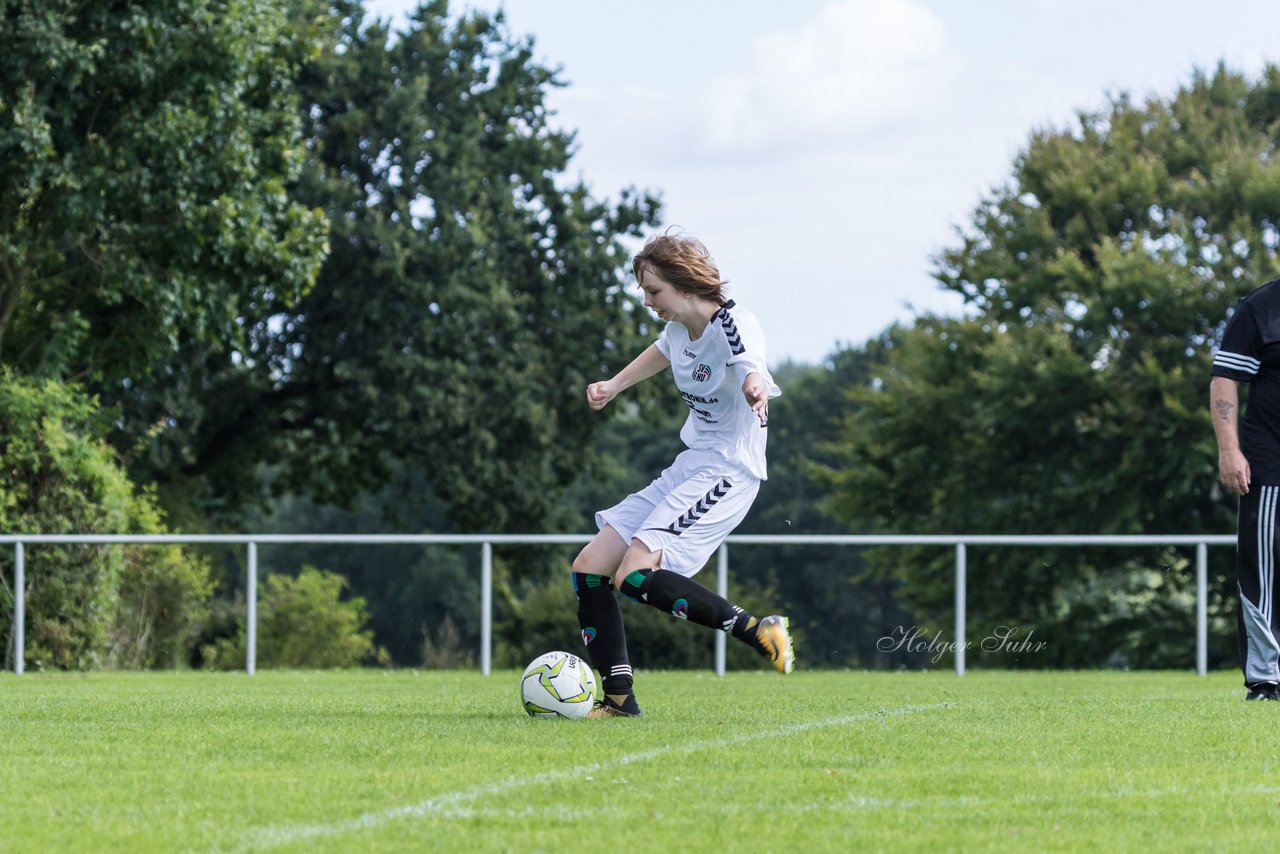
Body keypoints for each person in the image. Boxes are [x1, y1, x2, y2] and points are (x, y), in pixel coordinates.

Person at [570, 229, 793, 718]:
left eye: (654, 291)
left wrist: (755, 385)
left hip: (729, 471)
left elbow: (749, 358)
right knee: (589, 569)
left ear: (686, 286)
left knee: (634, 575)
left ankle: (758, 630)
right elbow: (663, 351)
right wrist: (614, 385)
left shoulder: (733, 322)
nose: (648, 301)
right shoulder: (677, 330)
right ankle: (620, 702)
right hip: (691, 465)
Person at [1212, 277, 1280, 701]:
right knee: (1264, 569)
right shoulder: (1260, 307)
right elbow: (1224, 381)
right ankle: (1266, 679)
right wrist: (1229, 451)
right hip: (1269, 462)